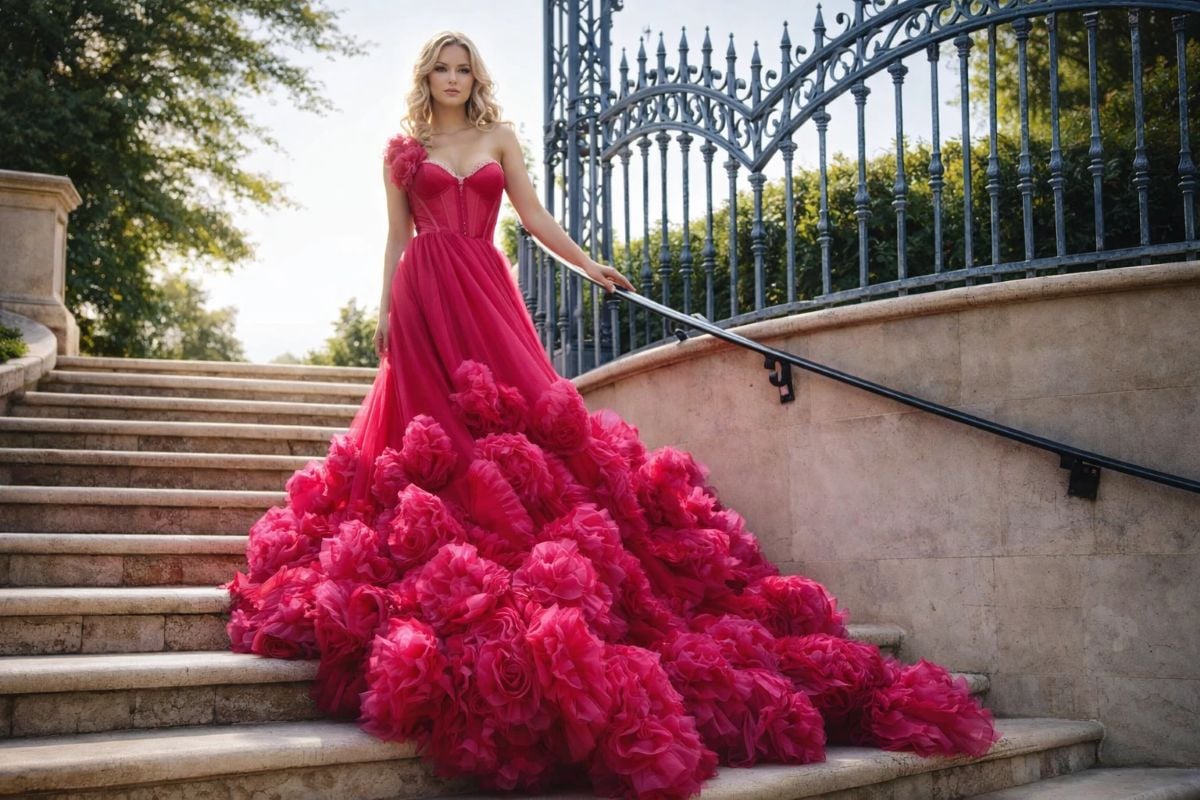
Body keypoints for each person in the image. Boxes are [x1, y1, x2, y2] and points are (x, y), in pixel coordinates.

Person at [224, 30, 999, 800]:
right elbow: (395, 238)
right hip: (424, 292)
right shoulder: (404, 148)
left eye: (464, 67)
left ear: (474, 75)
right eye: (442, 67)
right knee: (434, 433)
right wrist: (384, 314)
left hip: (488, 294)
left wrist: (589, 263)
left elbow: (531, 218)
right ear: (426, 77)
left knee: (518, 426)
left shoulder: (500, 137)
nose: (454, 77)